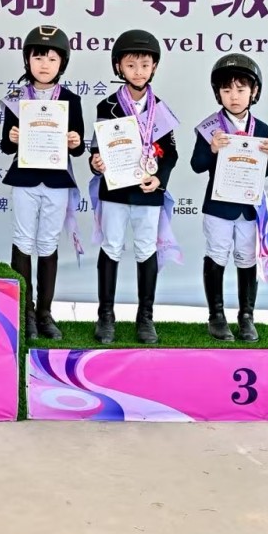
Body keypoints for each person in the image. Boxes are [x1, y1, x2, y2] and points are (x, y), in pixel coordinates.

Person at [86, 30, 180, 344]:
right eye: (131, 65)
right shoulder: (107, 106)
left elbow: (171, 153)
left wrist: (160, 178)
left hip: (147, 191)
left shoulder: (161, 109)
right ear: (118, 67)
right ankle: (105, 316)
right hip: (114, 191)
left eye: (144, 65)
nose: (138, 71)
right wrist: (96, 163)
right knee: (111, 247)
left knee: (146, 249)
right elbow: (96, 149)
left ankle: (145, 317)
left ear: (154, 67)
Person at [0, 25, 87, 340]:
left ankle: (45, 314)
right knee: (23, 241)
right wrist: (12, 137)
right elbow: (5, 145)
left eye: (52, 58)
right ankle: (25, 312)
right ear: (27, 60)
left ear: (62, 63)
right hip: (24, 178)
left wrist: (76, 140)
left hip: (56, 179)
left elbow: (79, 146)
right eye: (38, 57)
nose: (45, 64)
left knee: (48, 243)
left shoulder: (71, 99)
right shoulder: (16, 98)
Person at [190, 54, 268, 342]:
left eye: (241, 89)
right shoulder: (210, 128)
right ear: (218, 93)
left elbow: (266, 171)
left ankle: (246, 316)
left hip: (249, 207)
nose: (234, 96)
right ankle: (216, 316)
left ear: (254, 92)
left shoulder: (261, 129)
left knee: (246, 257)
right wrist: (212, 149)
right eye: (227, 90)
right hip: (218, 207)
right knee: (217, 254)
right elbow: (196, 165)